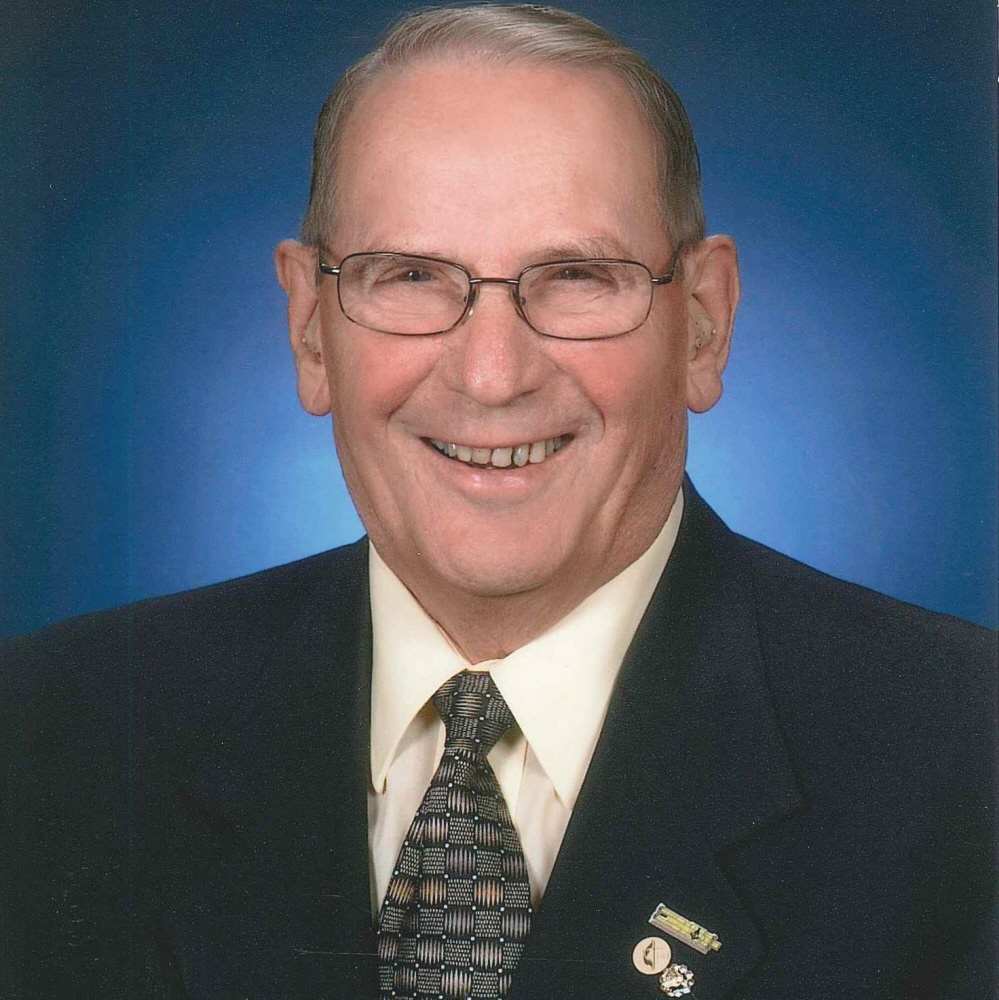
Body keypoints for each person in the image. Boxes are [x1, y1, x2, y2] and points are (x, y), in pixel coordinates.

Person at [1, 5, 994, 999]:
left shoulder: (965, 763)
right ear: (309, 329)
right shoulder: (49, 737)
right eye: (410, 275)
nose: (491, 375)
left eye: (576, 276)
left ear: (702, 324)